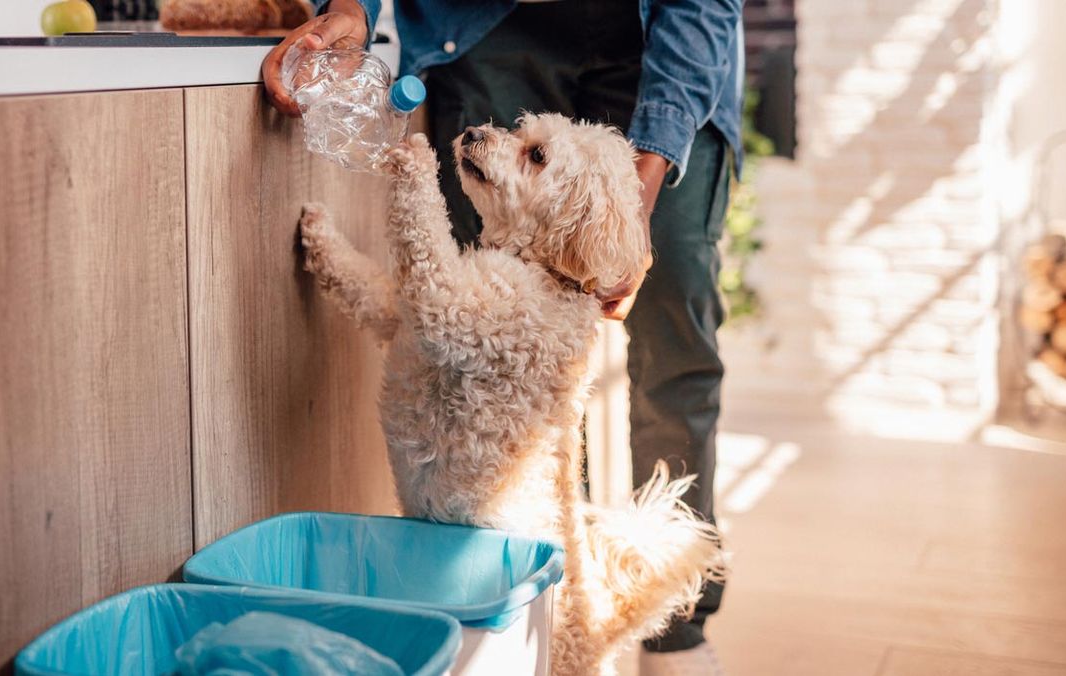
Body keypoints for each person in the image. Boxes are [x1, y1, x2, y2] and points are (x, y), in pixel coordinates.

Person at [264, 2, 743, 673]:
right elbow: (419, 316)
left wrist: (638, 194)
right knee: (491, 362)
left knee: (675, 340)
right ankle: (527, 604)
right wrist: (349, 6)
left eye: (533, 151)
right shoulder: (499, 284)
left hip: (656, 37)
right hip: (491, 24)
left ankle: (676, 638)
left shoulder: (516, 303)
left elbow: (435, 304)